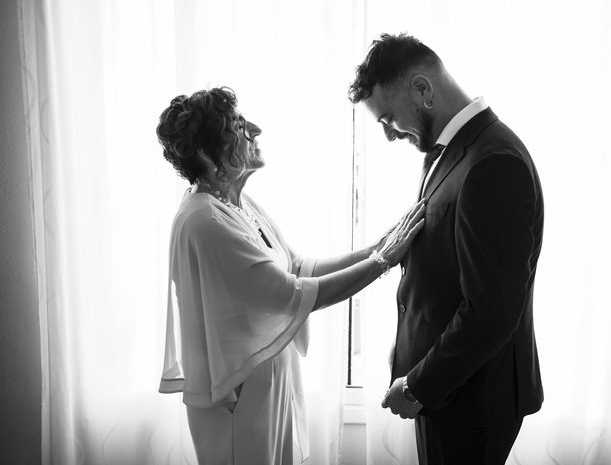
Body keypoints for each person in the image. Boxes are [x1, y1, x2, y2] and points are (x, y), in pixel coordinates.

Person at [155, 87, 425, 465]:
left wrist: (376, 246)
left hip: (265, 391)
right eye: (238, 125)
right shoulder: (206, 220)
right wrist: (383, 260)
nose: (255, 129)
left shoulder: (235, 203)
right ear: (206, 153)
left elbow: (297, 266)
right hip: (239, 402)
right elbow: (289, 292)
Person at [349, 34, 544, 465]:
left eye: (387, 119)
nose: (388, 134)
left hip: (472, 401)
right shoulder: (452, 152)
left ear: (422, 90)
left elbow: (491, 310)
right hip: (450, 392)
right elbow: (444, 275)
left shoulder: (493, 162)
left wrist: (419, 384)